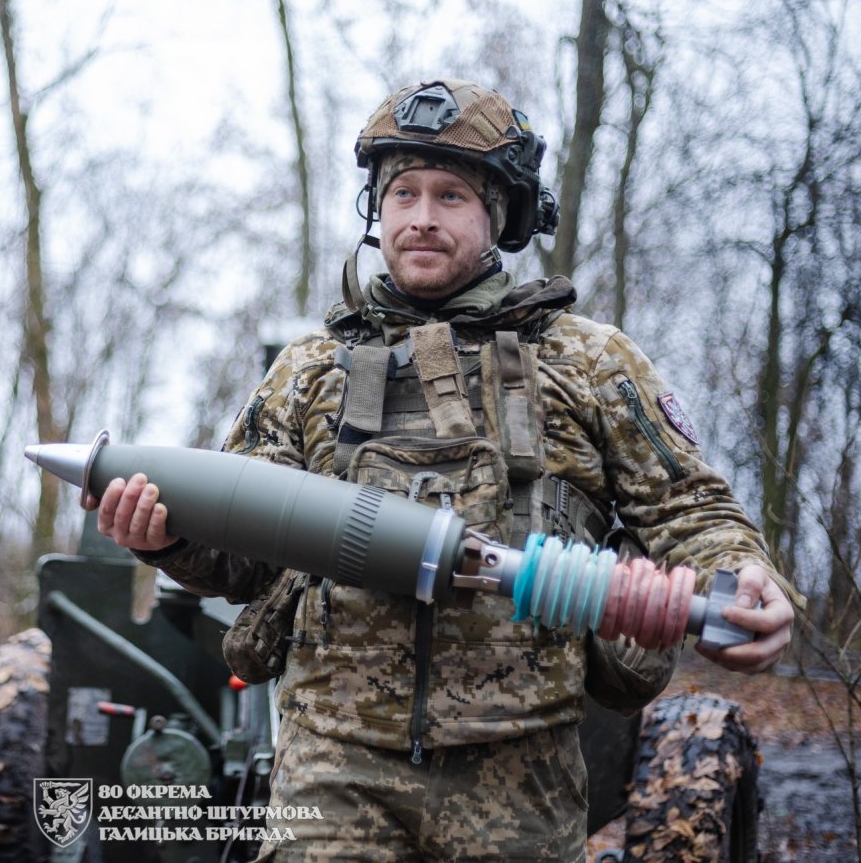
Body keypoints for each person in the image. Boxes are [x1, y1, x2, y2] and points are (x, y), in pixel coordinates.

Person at [87, 79, 800, 862]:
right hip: (333, 765)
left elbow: (688, 506)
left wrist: (740, 571)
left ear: (497, 215)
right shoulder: (308, 370)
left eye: (451, 195)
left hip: (521, 772)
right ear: (377, 211)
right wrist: (162, 540)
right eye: (403, 194)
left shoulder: (587, 360)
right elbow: (239, 557)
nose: (422, 217)